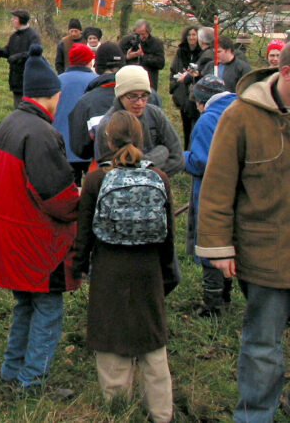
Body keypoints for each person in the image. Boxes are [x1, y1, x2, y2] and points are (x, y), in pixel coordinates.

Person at [196, 45, 290, 421]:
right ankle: (255, 414)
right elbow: (217, 187)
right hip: (266, 253)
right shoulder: (241, 116)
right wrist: (218, 246)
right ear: (286, 73)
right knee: (263, 345)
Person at [0, 44, 80, 391]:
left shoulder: (9, 124)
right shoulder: (42, 134)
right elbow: (57, 197)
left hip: (10, 235)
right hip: (40, 243)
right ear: (51, 94)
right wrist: (81, 200)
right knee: (47, 310)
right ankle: (32, 381)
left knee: (24, 304)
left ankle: (12, 369)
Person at [70, 110, 176, 423]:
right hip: (149, 268)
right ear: (141, 138)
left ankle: (118, 410)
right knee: (153, 342)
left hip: (109, 268)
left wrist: (79, 266)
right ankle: (161, 412)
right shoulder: (159, 177)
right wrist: (167, 271)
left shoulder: (96, 179)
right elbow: (168, 233)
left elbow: (85, 232)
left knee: (110, 340)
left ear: (107, 139)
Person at [183, 75, 236, 318]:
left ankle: (213, 303)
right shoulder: (241, 109)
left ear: (201, 101)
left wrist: (181, 157)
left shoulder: (208, 120)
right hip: (239, 190)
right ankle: (227, 294)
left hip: (211, 192)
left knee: (211, 240)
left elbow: (202, 162)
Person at [95, 66, 185, 177]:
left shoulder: (155, 115)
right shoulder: (107, 126)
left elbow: (178, 158)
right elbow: (107, 170)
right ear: (120, 95)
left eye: (144, 96)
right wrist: (159, 155)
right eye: (133, 96)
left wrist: (152, 178)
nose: (139, 103)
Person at [53, 43, 98, 185]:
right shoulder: (97, 81)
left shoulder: (57, 81)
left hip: (62, 145)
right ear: (89, 60)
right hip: (89, 145)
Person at [0, 9, 40, 108]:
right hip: (16, 78)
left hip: (29, 78)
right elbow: (10, 50)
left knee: (29, 107)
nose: (12, 20)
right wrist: (2, 52)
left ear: (21, 20)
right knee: (18, 106)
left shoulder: (33, 36)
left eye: (15, 18)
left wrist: (18, 57)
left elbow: (35, 52)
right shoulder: (14, 35)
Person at [169, 25, 204, 148]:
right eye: (189, 35)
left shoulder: (202, 53)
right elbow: (174, 69)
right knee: (186, 127)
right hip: (182, 92)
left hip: (195, 93)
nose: (191, 37)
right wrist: (175, 87)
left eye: (194, 35)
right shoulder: (181, 51)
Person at [120, 19, 165, 91]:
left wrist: (143, 56)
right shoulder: (126, 41)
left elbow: (160, 63)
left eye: (143, 34)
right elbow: (117, 58)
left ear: (148, 32)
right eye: (138, 34)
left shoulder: (156, 43)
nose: (140, 37)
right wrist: (127, 57)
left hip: (148, 82)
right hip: (128, 81)